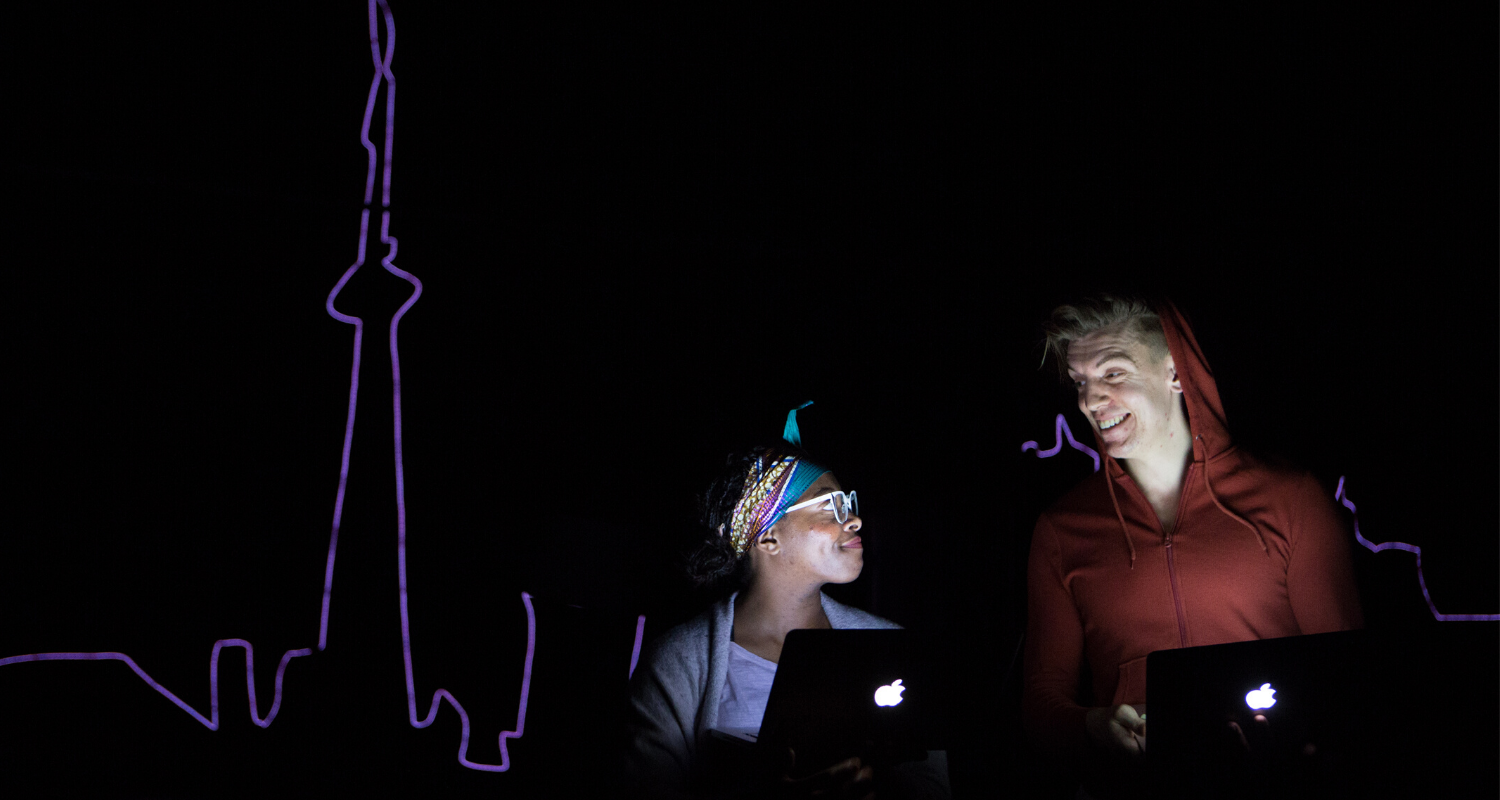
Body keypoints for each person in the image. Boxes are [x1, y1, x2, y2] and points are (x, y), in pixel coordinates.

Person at [1021, 295, 1363, 797]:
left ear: (1176, 373)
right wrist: (1094, 726)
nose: (1090, 401)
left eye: (1113, 374)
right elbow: (1041, 704)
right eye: (1080, 382)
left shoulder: (1290, 500)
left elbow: (1351, 679)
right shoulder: (1061, 529)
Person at [625, 405, 950, 799]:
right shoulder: (677, 663)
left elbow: (934, 786)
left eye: (848, 503)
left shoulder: (890, 645)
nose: (854, 519)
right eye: (829, 505)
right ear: (768, 539)